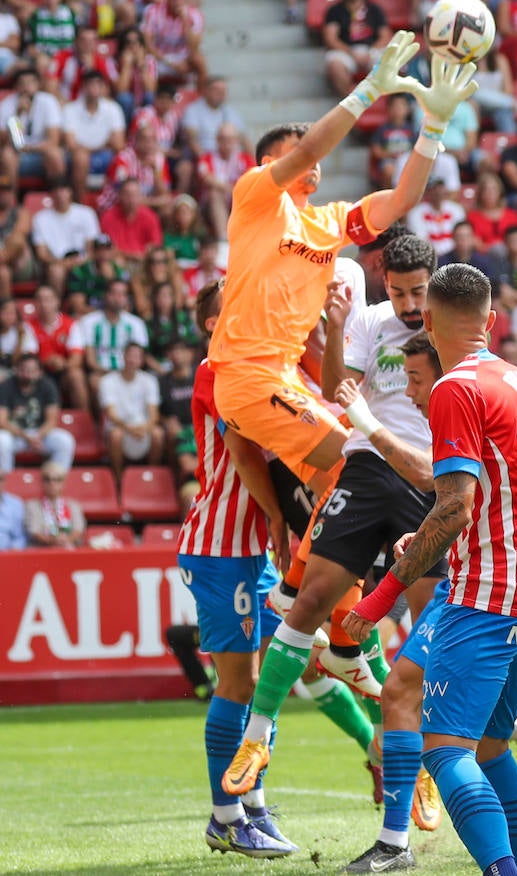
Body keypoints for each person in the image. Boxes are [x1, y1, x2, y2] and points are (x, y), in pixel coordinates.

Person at [341, 263, 517, 876]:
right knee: (492, 746)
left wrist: (377, 598)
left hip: (492, 587)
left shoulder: (453, 388)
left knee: (445, 752)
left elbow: (456, 505)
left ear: (430, 321)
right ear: (491, 321)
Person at [221, 235, 451, 791]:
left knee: (433, 628)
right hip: (368, 469)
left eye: (417, 291)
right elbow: (331, 387)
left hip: (428, 478)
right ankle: (257, 736)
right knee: (310, 601)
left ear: (433, 282)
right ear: (383, 282)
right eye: (398, 292)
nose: (408, 304)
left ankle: (424, 759)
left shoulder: (453, 326)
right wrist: (335, 326)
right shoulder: (370, 320)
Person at [207, 31, 475, 491]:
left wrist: (432, 128)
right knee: (367, 461)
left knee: (347, 484)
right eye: (295, 147)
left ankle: (314, 565)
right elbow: (312, 148)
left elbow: (404, 198)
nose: (309, 154)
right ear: (269, 162)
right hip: (248, 375)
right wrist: (369, 88)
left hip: (282, 378)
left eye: (308, 144)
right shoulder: (255, 195)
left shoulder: (332, 221)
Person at [176, 281, 297, 860]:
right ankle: (225, 817)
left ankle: (252, 803)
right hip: (221, 548)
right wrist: (280, 517)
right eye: (229, 312)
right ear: (208, 324)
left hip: (253, 552)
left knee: (267, 684)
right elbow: (245, 454)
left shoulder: (252, 369)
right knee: (239, 682)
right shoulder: (214, 371)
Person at [0, 352, 75, 473]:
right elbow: (2, 422)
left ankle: (56, 481)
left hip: (40, 434)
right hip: (16, 435)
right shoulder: (6, 386)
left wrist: (37, 437)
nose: (27, 374)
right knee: (1, 441)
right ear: (16, 370)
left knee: (65, 441)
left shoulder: (48, 386)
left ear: (40, 372)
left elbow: (52, 420)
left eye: (31, 370)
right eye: (23, 370)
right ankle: (6, 482)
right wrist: (26, 437)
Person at [100, 340, 163, 477]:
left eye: (137, 356)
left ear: (142, 360)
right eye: (130, 355)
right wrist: (130, 429)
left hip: (142, 426)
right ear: (123, 356)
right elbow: (111, 414)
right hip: (119, 427)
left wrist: (143, 428)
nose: (132, 360)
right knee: (115, 436)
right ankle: (118, 478)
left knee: (158, 434)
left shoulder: (150, 380)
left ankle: (151, 474)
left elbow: (154, 415)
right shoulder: (107, 381)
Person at [23, 461, 86, 548]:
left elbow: (78, 529)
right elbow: (34, 531)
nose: (52, 483)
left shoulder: (73, 505)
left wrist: (66, 541)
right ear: (41, 482)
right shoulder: (32, 505)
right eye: (47, 479)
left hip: (68, 550)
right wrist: (52, 541)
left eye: (57, 479)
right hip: (42, 551)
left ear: (63, 483)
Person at [0, 467, 23, 549]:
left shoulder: (15, 504)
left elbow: (20, 537)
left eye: (0, 479)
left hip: (9, 554)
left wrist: (15, 548)